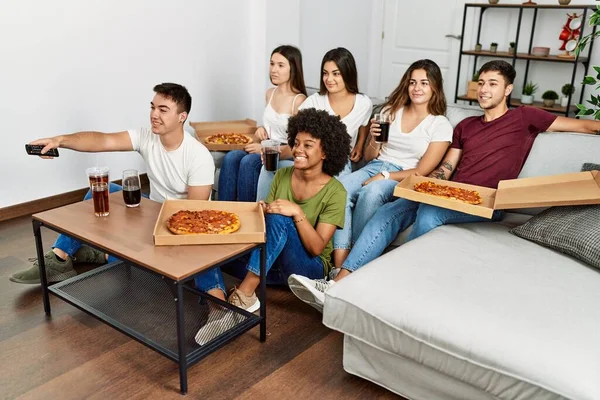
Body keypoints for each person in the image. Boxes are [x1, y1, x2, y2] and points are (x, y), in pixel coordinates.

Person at [289, 59, 600, 312]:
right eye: (481, 83)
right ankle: (337, 284)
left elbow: (586, 125)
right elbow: (446, 168)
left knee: (428, 216)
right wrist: (429, 185)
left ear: (508, 89)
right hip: (449, 195)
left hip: (485, 202)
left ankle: (396, 290)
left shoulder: (525, 118)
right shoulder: (466, 125)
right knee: (391, 212)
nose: (484, 89)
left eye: (492, 83)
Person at [10, 83, 215, 284]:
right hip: (150, 209)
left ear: (182, 117)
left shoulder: (198, 156)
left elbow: (193, 215)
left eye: (163, 109)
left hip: (174, 222)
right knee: (103, 190)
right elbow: (103, 141)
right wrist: (60, 140)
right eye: (152, 107)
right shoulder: (147, 137)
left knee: (160, 259)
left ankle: (102, 255)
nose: (154, 114)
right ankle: (59, 257)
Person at [193, 108, 349, 343]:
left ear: (326, 151)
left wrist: (296, 212)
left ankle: (245, 295)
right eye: (296, 143)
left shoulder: (336, 191)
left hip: (307, 271)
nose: (297, 150)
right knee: (204, 240)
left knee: (281, 218)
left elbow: (316, 248)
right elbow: (266, 230)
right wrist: (261, 213)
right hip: (269, 266)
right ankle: (219, 309)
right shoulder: (283, 175)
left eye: (308, 145)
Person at [330, 59, 453, 269]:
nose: (417, 88)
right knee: (338, 189)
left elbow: (422, 171)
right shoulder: (390, 111)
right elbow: (370, 156)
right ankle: (339, 262)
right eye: (413, 82)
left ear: (434, 87)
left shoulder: (439, 124)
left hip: (404, 176)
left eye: (424, 83)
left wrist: (386, 176)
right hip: (376, 165)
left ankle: (354, 258)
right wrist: (374, 139)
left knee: (373, 192)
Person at [255, 47, 372, 201]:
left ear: (347, 73)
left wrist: (360, 143)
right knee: (268, 169)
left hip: (338, 164)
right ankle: (260, 215)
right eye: (325, 73)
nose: (329, 79)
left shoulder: (364, 103)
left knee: (336, 196)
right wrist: (272, 151)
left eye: (336, 73)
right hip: (309, 161)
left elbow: (364, 123)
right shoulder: (313, 102)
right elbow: (298, 142)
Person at [218, 45, 307, 201]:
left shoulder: (299, 101)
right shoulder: (270, 93)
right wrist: (261, 129)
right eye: (272, 63)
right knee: (231, 157)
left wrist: (266, 149)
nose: (274, 69)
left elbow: (296, 146)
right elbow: (271, 125)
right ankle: (224, 212)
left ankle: (250, 215)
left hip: (284, 151)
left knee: (248, 162)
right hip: (265, 146)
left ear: (293, 68)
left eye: (280, 65)